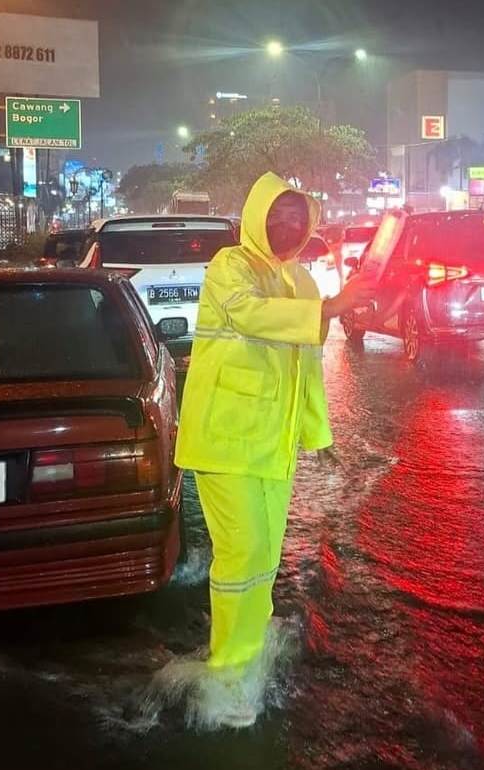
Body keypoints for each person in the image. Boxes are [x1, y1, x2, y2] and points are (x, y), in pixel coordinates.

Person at [174, 172, 376, 728]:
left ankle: (250, 646)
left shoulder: (302, 282)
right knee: (242, 554)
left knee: (264, 557)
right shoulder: (230, 266)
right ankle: (228, 674)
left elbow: (305, 366)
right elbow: (251, 313)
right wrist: (331, 308)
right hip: (224, 439)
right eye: (277, 215)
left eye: (297, 216)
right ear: (256, 217)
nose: (288, 225)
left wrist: (319, 437)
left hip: (272, 444)